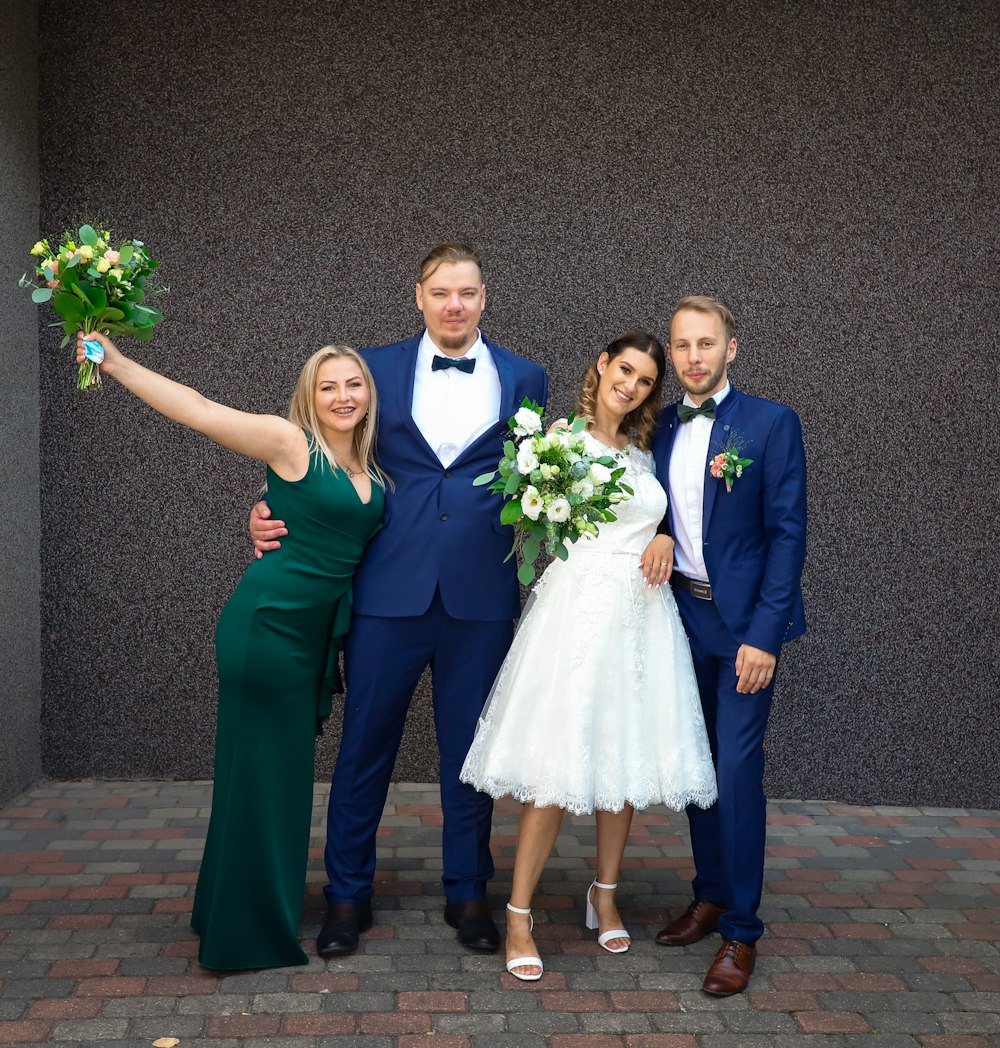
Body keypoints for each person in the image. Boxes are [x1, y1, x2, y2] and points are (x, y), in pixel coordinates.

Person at [250, 244, 548, 956]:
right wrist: (266, 506)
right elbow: (321, 446)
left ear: (484, 298)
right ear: (418, 296)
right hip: (387, 588)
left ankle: (468, 893)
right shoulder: (373, 369)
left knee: (469, 756)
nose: (454, 305)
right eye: (441, 292)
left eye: (467, 293)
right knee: (363, 751)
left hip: (480, 596)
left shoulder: (525, 376)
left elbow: (537, 473)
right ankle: (347, 897)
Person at [74, 331, 386, 970]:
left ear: (369, 393)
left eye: (353, 384)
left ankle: (229, 906)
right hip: (267, 629)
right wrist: (118, 362)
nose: (342, 395)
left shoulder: (371, 466)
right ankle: (245, 933)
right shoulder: (290, 443)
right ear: (309, 396)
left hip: (310, 637)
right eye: (327, 386)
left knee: (272, 778)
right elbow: (199, 409)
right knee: (264, 779)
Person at [460, 332, 719, 981]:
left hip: (642, 617)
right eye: (624, 370)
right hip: (578, 614)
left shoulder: (644, 447)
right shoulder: (560, 443)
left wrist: (662, 538)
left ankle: (603, 896)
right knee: (556, 762)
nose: (630, 386)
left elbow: (663, 513)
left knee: (622, 759)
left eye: (644, 380)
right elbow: (535, 519)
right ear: (602, 365)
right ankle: (519, 912)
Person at [649, 295, 807, 996]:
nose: (693, 357)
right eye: (682, 345)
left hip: (744, 630)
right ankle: (710, 894)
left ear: (731, 348)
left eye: (705, 344)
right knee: (697, 766)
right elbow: (652, 508)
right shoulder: (658, 426)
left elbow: (787, 536)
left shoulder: (771, 425)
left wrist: (764, 636)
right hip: (679, 618)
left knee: (737, 770)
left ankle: (742, 931)